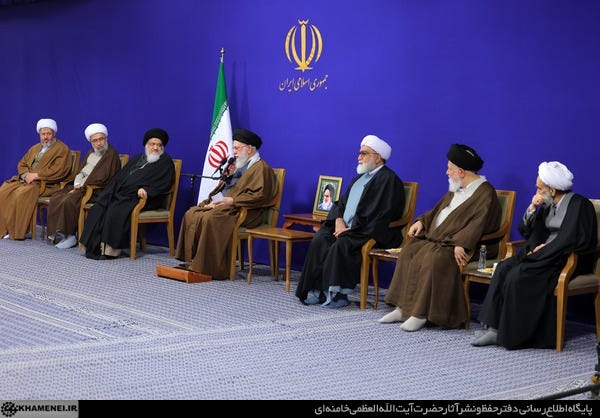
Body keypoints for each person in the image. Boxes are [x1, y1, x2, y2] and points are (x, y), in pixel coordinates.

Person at [472, 161, 597, 349]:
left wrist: (544, 250)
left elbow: (571, 239)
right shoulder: (548, 205)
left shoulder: (579, 205)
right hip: (543, 255)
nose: (537, 192)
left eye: (540, 188)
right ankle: (492, 326)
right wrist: (532, 208)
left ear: (552, 190)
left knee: (518, 275)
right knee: (504, 267)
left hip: (564, 259)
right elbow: (526, 232)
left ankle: (508, 334)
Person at [379, 143, 501, 330]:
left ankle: (420, 314)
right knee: (410, 249)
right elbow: (436, 211)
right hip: (442, 240)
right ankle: (402, 308)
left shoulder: (485, 193)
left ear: (461, 172)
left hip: (469, 247)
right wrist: (422, 222)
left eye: (449, 168)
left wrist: (461, 243)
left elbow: (479, 223)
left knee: (434, 257)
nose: (446, 172)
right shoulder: (456, 188)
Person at [295, 135, 405, 308]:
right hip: (347, 228)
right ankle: (319, 291)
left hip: (369, 231)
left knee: (343, 244)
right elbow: (340, 203)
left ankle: (340, 295)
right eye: (359, 153)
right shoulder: (359, 179)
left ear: (377, 158)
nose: (359, 157)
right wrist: (339, 220)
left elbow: (384, 213)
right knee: (320, 239)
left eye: (364, 154)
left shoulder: (388, 180)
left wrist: (353, 228)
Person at [175, 128, 277, 279]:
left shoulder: (262, 168)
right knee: (192, 213)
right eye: (234, 148)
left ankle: (208, 266)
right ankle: (192, 260)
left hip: (246, 212)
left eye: (237, 148)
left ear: (249, 149)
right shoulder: (239, 164)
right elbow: (228, 187)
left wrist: (233, 201)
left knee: (211, 218)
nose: (234, 152)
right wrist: (214, 200)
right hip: (226, 206)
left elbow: (260, 196)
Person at [79, 128, 175, 259]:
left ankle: (111, 250)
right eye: (152, 144)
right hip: (126, 193)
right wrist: (112, 189)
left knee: (115, 209)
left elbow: (164, 183)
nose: (155, 147)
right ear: (146, 145)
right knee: (101, 204)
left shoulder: (165, 162)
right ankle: (92, 245)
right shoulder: (139, 158)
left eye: (159, 145)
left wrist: (147, 190)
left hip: (146, 198)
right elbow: (121, 176)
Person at [47, 123, 122, 249]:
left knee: (69, 200)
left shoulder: (111, 155)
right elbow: (81, 172)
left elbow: (102, 179)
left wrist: (81, 187)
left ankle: (71, 236)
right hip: (81, 186)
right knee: (56, 196)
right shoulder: (91, 153)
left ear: (106, 138)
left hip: (97, 191)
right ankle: (60, 233)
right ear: (91, 142)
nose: (99, 143)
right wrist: (77, 184)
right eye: (95, 141)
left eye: (101, 139)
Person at [0, 118, 71, 240]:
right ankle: (4, 228)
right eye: (43, 134)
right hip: (27, 181)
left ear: (54, 133)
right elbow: (22, 163)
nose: (46, 137)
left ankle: (16, 231)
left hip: (46, 184)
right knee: (4, 190)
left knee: (20, 193)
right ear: (39, 134)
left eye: (48, 134)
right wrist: (25, 175)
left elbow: (59, 170)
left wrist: (37, 175)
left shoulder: (62, 149)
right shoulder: (35, 148)